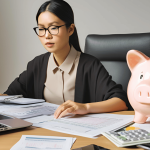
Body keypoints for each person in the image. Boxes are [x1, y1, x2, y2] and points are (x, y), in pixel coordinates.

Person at [1, 0, 130, 119]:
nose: (47, 35)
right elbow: (8, 96)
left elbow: (121, 102)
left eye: (53, 27)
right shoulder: (37, 64)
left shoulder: (89, 65)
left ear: (70, 29)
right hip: (44, 134)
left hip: (81, 135)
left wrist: (85, 107)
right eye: (41, 29)